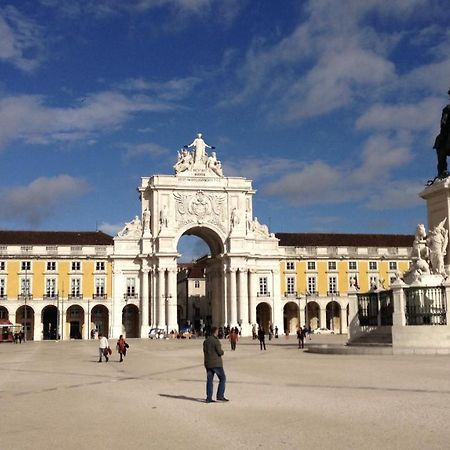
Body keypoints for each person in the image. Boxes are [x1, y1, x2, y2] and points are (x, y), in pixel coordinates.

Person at [203, 326, 228, 403]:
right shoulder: (216, 341)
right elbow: (219, 352)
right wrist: (222, 352)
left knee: (209, 380)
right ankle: (220, 395)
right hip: (216, 363)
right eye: (217, 331)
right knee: (222, 378)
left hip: (208, 363)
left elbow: (205, 352)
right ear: (215, 332)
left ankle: (209, 397)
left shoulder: (206, 341)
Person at [434, 90, 450, 178]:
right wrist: (443, 133)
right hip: (447, 131)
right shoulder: (447, 108)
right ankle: (442, 170)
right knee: (440, 142)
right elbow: (443, 123)